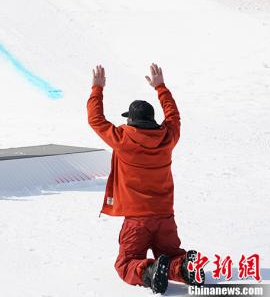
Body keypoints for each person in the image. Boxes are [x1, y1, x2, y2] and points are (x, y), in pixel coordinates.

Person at [87, 63, 205, 294]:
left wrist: (97, 89)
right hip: (165, 215)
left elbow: (96, 120)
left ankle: (149, 272)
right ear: (152, 120)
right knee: (171, 255)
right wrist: (160, 87)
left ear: (131, 121)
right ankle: (184, 268)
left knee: (126, 263)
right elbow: (174, 116)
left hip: (137, 220)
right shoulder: (167, 138)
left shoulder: (122, 139)